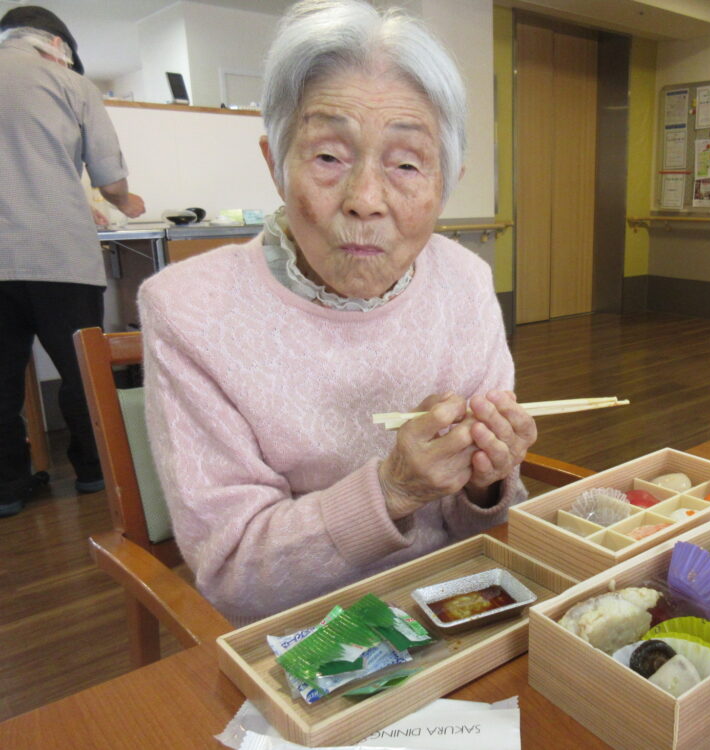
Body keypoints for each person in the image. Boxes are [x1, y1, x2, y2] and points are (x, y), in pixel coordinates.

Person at [138, 0, 537, 626]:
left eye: (406, 164)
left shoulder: (465, 281)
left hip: (456, 610)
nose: (366, 201)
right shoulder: (189, 310)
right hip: (302, 635)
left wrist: (488, 480)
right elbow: (233, 574)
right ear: (276, 163)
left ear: (447, 179)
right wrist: (394, 490)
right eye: (328, 157)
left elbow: (488, 522)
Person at [0, 6, 146, 518]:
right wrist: (126, 202)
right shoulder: (69, 82)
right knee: (83, 370)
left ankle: (8, 489)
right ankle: (92, 472)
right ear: (59, 43)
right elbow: (108, 177)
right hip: (58, 254)